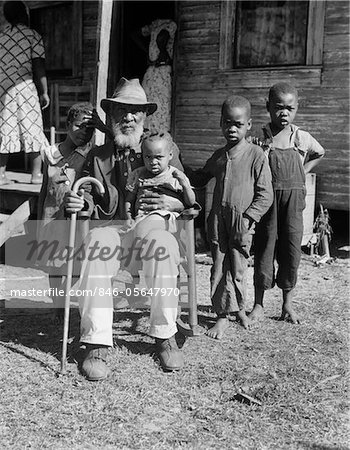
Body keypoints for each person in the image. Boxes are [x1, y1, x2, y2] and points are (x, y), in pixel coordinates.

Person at [64, 78, 187, 381]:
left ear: (145, 117)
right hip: (113, 228)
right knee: (94, 243)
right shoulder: (97, 157)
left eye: (136, 112)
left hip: (150, 225)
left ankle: (164, 336)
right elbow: (88, 197)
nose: (129, 118)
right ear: (112, 115)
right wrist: (79, 202)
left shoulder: (162, 149)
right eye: (122, 111)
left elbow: (183, 192)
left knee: (162, 244)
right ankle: (96, 342)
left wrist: (175, 204)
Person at [189, 95, 273, 339]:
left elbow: (265, 194)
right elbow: (200, 179)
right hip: (217, 220)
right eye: (227, 123)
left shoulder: (256, 155)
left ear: (249, 125)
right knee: (219, 266)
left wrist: (249, 218)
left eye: (238, 124)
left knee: (238, 267)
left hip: (242, 222)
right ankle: (222, 316)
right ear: (221, 123)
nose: (232, 128)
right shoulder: (218, 156)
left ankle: (240, 310)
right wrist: (177, 161)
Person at [249, 82, 325, 325]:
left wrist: (303, 171)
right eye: (279, 107)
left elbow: (320, 152)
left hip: (293, 204)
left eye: (289, 108)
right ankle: (258, 304)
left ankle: (287, 304)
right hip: (267, 203)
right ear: (268, 107)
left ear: (297, 108)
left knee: (291, 250)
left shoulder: (301, 137)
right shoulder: (260, 139)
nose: (284, 113)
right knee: (264, 249)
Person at [36, 102, 96, 321]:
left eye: (90, 128)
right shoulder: (51, 154)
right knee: (53, 265)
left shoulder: (92, 155)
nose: (84, 132)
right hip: (52, 215)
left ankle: (65, 297)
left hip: (75, 217)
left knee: (78, 261)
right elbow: (44, 189)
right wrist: (37, 219)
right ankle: (58, 305)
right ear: (68, 124)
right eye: (80, 126)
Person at [0, 0, 50, 185]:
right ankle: (36, 175)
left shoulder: (1, 37)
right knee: (32, 126)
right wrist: (44, 91)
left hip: (2, 88)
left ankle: (0, 175)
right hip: (23, 86)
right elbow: (38, 66)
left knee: (5, 127)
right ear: (24, 14)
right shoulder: (32, 36)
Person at [125, 131, 196, 239]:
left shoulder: (175, 175)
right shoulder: (138, 174)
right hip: (141, 218)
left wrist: (185, 185)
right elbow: (129, 199)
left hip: (166, 219)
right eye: (148, 157)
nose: (153, 162)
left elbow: (190, 202)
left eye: (158, 157)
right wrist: (128, 217)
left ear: (170, 155)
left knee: (144, 228)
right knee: (130, 238)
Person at [141, 19, 177, 133]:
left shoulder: (169, 24)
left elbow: (162, 38)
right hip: (154, 71)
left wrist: (162, 52)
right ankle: (150, 133)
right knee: (151, 104)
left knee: (161, 105)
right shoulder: (153, 25)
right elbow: (136, 34)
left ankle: (160, 134)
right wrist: (148, 52)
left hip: (161, 71)